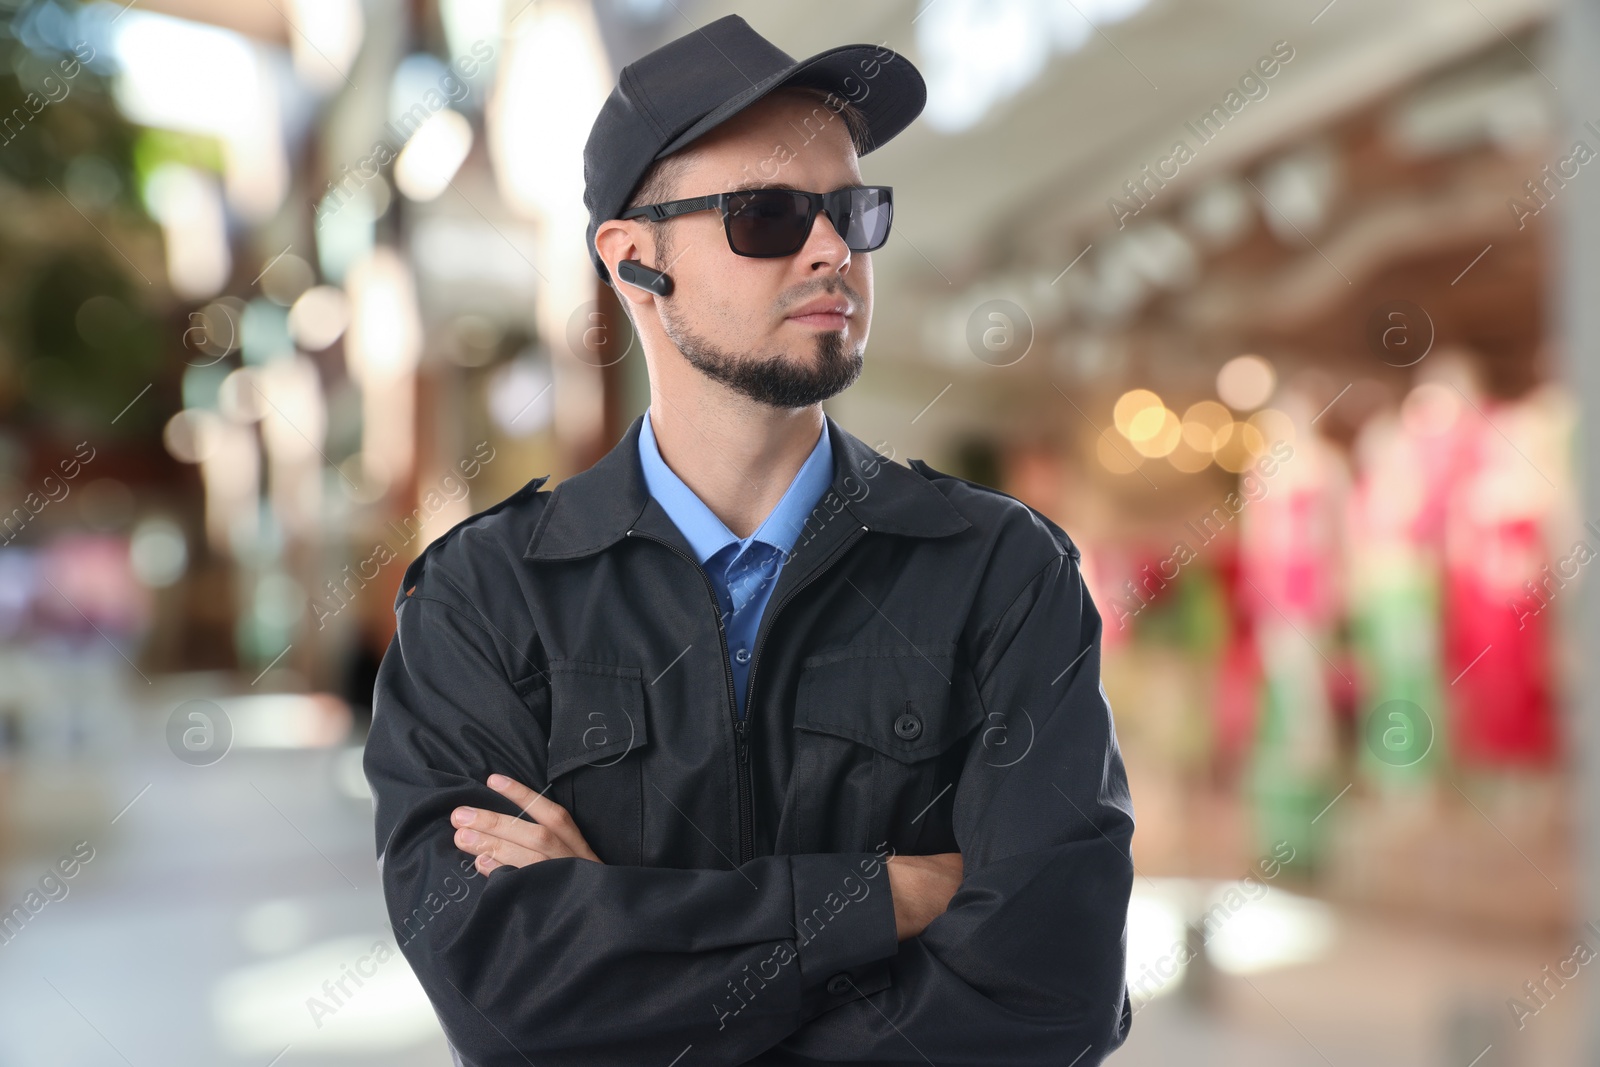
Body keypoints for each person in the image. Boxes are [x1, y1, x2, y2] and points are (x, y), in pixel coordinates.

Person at [363, 13, 1135, 1066]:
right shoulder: (484, 599)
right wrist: (886, 896)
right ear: (634, 261)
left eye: (853, 211)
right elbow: (510, 999)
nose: (831, 251)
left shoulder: (1000, 573)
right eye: (767, 215)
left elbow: (1053, 996)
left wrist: (623, 928)